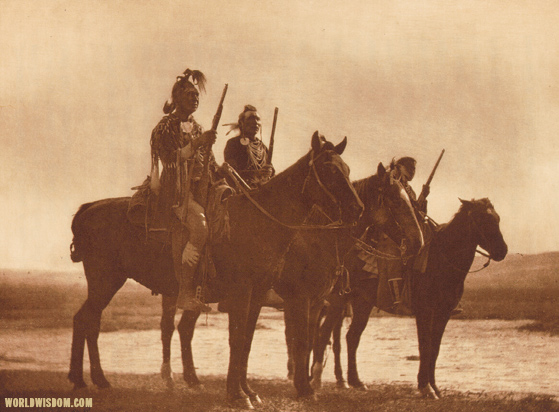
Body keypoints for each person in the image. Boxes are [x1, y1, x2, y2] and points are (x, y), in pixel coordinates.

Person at [150, 68, 220, 312]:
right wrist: (197, 143)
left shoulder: (198, 127)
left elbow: (209, 162)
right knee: (199, 227)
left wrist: (222, 172)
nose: (195, 98)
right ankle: (185, 292)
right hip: (176, 192)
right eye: (190, 94)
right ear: (177, 98)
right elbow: (169, 159)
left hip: (202, 188)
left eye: (197, 95)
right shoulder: (165, 127)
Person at [223, 105, 274, 188]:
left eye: (257, 119)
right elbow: (230, 172)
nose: (255, 122)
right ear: (241, 123)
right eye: (251, 118)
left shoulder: (263, 148)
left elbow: (272, 170)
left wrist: (269, 172)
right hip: (241, 191)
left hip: (263, 190)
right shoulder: (233, 143)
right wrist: (257, 173)